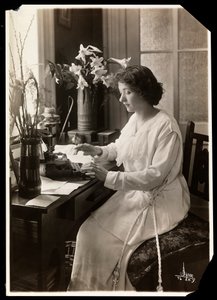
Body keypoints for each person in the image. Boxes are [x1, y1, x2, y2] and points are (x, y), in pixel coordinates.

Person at [67, 65, 190, 291]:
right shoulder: (135, 119)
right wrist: (96, 150)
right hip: (134, 194)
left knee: (100, 239)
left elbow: (155, 176)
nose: (121, 98)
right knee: (87, 230)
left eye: (128, 92)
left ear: (144, 92)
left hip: (160, 200)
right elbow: (118, 147)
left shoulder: (166, 127)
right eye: (121, 91)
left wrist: (110, 178)